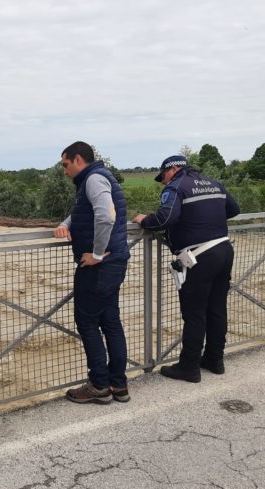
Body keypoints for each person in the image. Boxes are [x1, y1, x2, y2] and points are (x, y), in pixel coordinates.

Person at [133, 155, 240, 383]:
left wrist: (144, 219)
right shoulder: (213, 183)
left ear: (173, 169)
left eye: (163, 176)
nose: (163, 181)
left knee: (194, 313)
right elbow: (233, 209)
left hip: (200, 256)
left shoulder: (176, 186)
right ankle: (215, 360)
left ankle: (189, 367)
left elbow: (164, 219)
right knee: (217, 309)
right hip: (224, 249)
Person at [53, 141, 131, 403]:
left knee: (87, 322)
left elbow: (106, 216)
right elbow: (86, 211)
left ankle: (99, 385)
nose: (64, 171)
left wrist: (97, 254)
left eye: (65, 165)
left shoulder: (94, 179)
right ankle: (118, 385)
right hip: (114, 262)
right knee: (110, 322)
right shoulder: (97, 177)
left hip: (99, 266)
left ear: (78, 159)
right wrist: (66, 224)